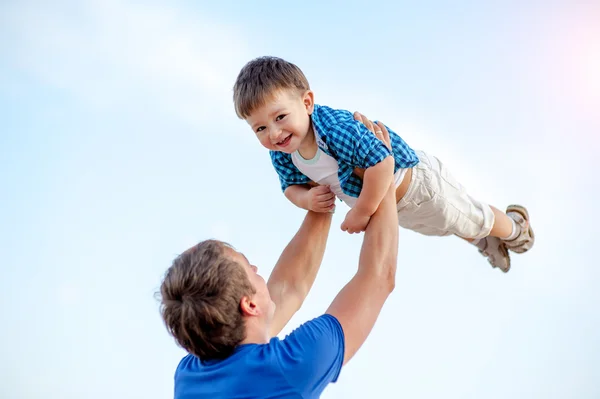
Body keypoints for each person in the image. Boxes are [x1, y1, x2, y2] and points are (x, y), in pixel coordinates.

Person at [159, 116, 399, 398]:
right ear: (248, 304)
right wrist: (383, 169)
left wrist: (318, 190)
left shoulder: (191, 376)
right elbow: (378, 277)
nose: (258, 269)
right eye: (250, 269)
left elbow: (288, 288)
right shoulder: (289, 368)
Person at [232, 56, 535, 273]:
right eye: (259, 128)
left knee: (467, 215)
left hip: (418, 186)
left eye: (280, 117)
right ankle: (485, 242)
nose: (273, 134)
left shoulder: (335, 129)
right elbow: (289, 186)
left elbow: (382, 162)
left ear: (307, 103)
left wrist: (361, 212)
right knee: (444, 226)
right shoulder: (282, 151)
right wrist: (306, 198)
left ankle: (514, 229)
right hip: (394, 207)